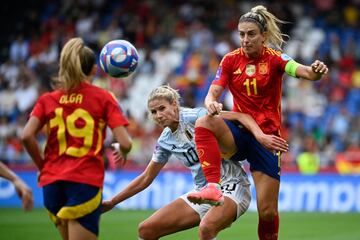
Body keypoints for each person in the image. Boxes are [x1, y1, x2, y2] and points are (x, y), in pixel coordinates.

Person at [186, 5, 329, 240]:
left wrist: (316, 72)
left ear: (263, 36)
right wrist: (212, 102)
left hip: (267, 138)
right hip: (240, 131)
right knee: (205, 121)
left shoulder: (275, 59)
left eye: (251, 34)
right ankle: (212, 187)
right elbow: (212, 93)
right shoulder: (230, 60)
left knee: (268, 212)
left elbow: (303, 71)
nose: (245, 39)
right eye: (241, 34)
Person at [102, 85, 288, 240]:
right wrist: (113, 201)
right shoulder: (165, 140)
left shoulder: (198, 116)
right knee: (145, 230)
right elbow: (146, 178)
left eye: (162, 108)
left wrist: (261, 136)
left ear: (174, 105)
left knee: (207, 228)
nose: (158, 115)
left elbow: (241, 116)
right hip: (202, 192)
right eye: (153, 112)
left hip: (232, 186)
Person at [21, 37, 132, 240]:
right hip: (84, 180)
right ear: (93, 70)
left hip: (52, 183)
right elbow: (125, 143)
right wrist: (121, 150)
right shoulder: (103, 97)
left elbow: (27, 136)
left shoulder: (47, 99)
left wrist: (42, 168)